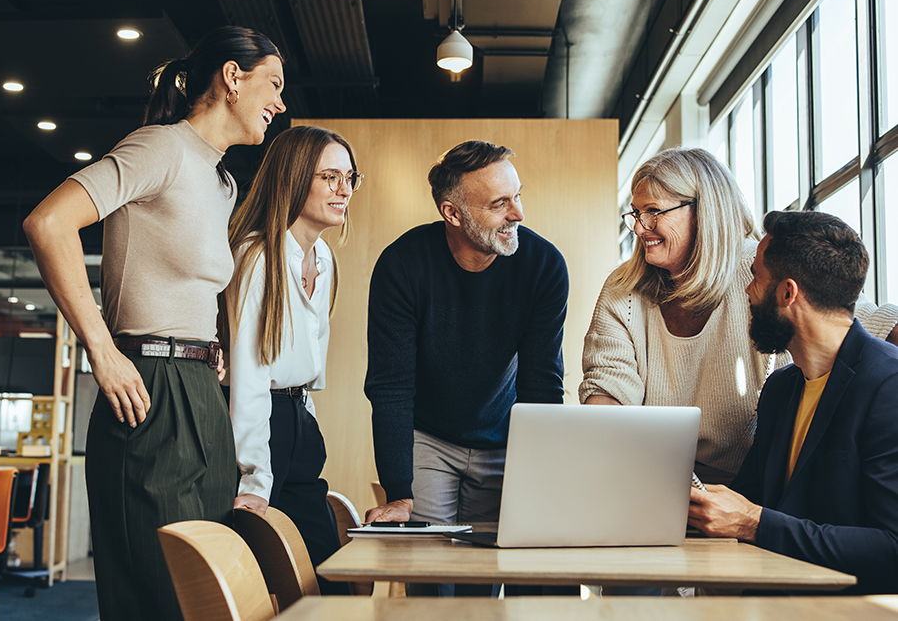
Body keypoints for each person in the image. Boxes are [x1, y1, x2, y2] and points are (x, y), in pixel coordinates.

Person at [22, 26, 286, 621]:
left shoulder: (222, 181)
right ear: (232, 77)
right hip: (146, 389)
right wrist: (101, 348)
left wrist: (211, 344)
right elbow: (49, 224)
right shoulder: (160, 147)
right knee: (160, 598)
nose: (280, 102)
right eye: (273, 83)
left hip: (199, 394)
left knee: (209, 597)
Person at [579, 148, 898, 485]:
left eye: (654, 212)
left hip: (751, 485)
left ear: (703, 213)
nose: (640, 228)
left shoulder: (759, 267)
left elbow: (854, 319)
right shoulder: (623, 289)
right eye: (636, 213)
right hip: (656, 478)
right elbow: (607, 386)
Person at [363, 140, 569, 594]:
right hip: (429, 439)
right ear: (452, 213)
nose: (518, 213)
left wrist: (543, 477)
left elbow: (542, 382)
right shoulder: (402, 265)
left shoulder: (544, 266)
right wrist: (399, 491)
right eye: (500, 204)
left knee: (487, 580)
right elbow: (391, 386)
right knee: (431, 582)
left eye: (518, 195)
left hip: (504, 435)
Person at [688, 210, 898, 594]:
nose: (747, 290)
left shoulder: (889, 386)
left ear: (788, 292)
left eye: (755, 277)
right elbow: (749, 500)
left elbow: (892, 550)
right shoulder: (781, 388)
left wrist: (753, 522)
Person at [221, 125, 359, 596]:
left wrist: (307, 425)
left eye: (350, 177)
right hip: (261, 427)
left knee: (326, 578)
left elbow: (307, 369)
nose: (344, 190)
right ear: (295, 178)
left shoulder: (322, 257)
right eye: (330, 177)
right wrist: (256, 476)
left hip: (299, 421)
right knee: (259, 582)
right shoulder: (258, 255)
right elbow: (249, 376)